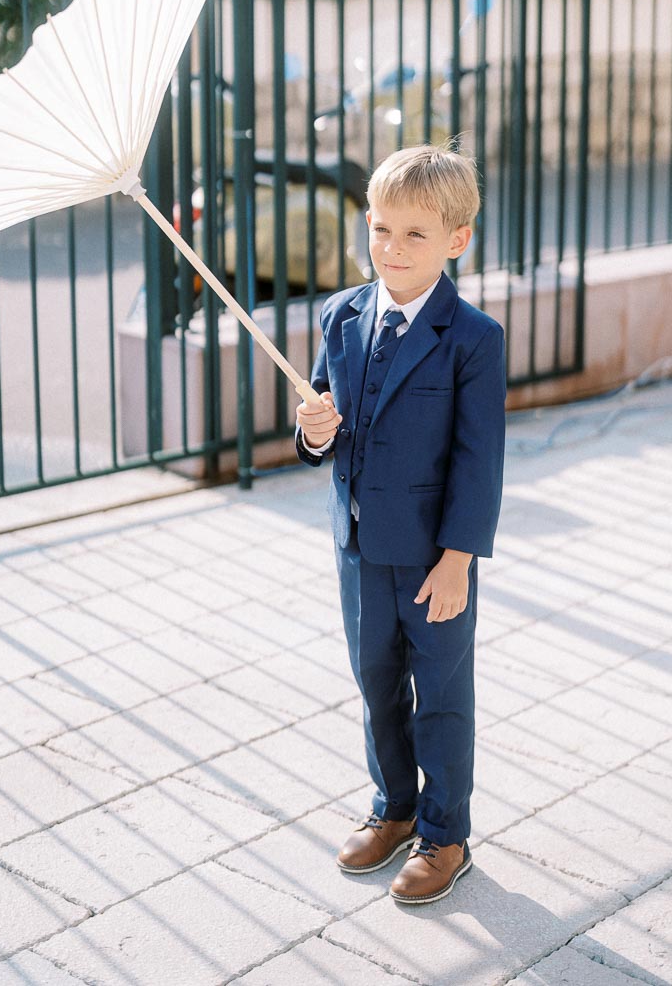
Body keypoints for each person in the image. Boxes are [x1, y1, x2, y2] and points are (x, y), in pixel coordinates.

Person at [295, 140, 506, 905]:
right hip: (358, 549)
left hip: (431, 558)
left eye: (415, 234)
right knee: (376, 680)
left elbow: (479, 462)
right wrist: (314, 429)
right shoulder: (340, 315)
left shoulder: (474, 340)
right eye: (380, 228)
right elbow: (326, 425)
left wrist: (458, 561)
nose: (391, 248)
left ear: (457, 240)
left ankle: (446, 833)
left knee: (441, 689)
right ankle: (394, 806)